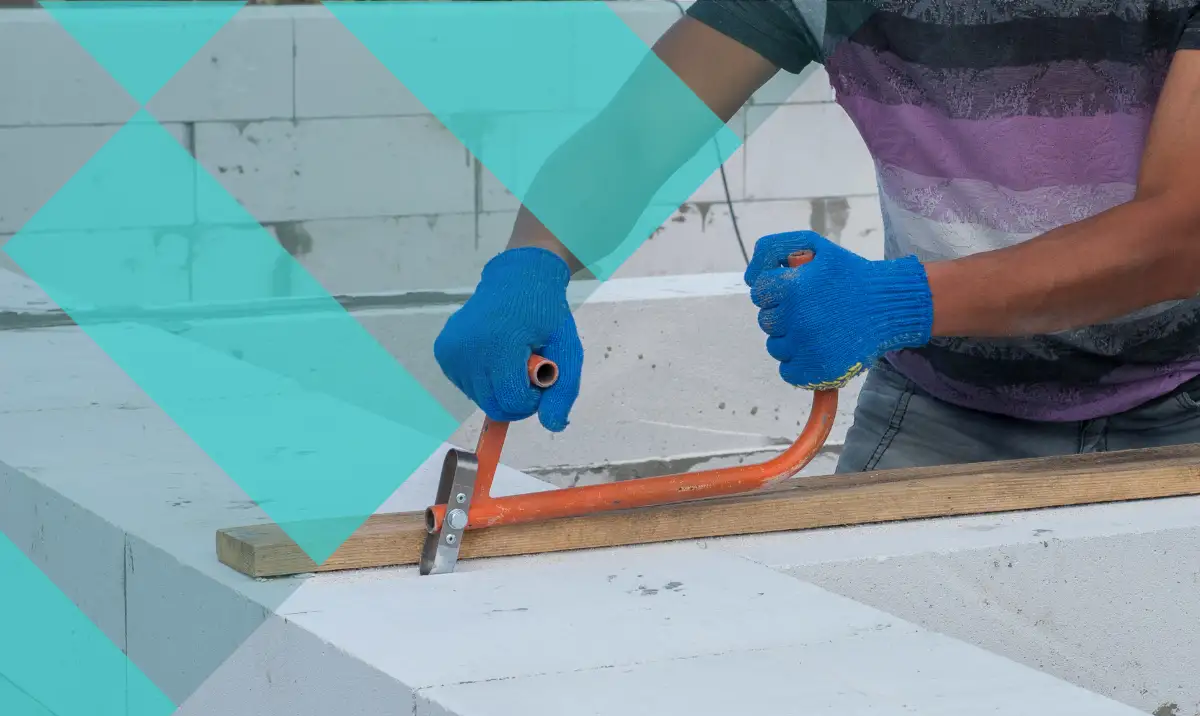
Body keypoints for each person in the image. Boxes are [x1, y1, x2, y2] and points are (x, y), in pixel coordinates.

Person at [433, 0, 1200, 473]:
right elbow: (634, 138)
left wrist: (899, 301)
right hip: (941, 411)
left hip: (1180, 402)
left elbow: (1183, 232)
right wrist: (531, 261)